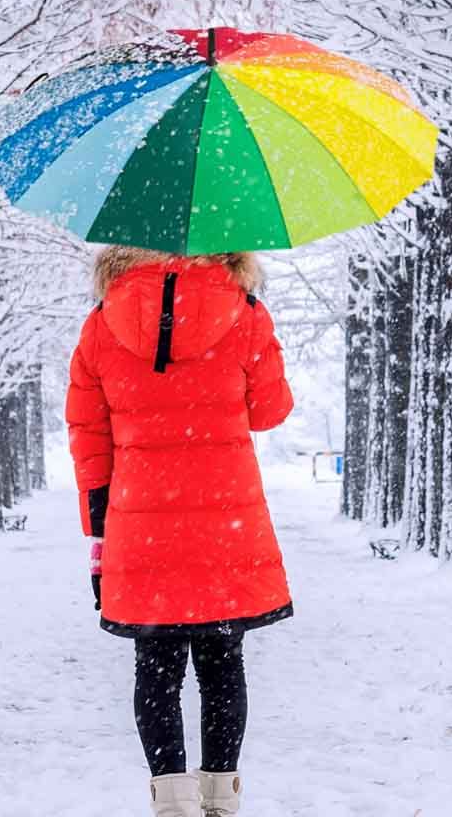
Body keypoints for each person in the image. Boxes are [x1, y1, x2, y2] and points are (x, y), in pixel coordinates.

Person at [67, 246, 295, 817]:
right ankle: (219, 802)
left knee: (156, 666)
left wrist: (99, 534)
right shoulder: (243, 313)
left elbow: (88, 438)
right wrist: (256, 335)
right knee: (222, 665)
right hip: (226, 519)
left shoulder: (100, 326)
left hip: (141, 525)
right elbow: (270, 410)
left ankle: (172, 805)